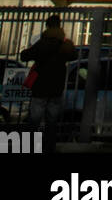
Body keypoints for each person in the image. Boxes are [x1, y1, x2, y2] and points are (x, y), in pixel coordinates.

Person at [22, 15, 77, 152]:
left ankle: (31, 147)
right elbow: (74, 55)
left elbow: (25, 55)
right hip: (56, 88)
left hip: (40, 88)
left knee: (34, 120)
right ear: (59, 26)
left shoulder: (43, 42)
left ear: (47, 26)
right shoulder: (65, 44)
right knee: (52, 121)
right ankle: (49, 147)